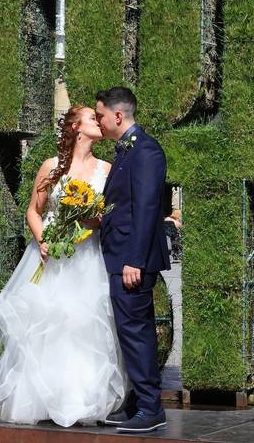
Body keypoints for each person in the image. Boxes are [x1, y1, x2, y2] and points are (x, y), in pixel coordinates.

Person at [0, 105, 127, 426]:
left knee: (83, 326)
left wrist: (87, 220)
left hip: (85, 256)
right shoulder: (51, 167)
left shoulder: (106, 170)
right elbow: (33, 211)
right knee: (45, 326)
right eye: (92, 118)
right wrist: (43, 240)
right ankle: (40, 400)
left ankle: (79, 401)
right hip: (48, 256)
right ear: (75, 128)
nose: (99, 122)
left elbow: (106, 217)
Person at [95, 87, 171, 435]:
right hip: (121, 256)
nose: (98, 121)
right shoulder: (127, 150)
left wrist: (134, 261)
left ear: (118, 116)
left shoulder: (146, 151)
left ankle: (151, 406)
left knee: (137, 331)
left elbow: (146, 209)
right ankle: (140, 401)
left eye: (100, 115)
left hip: (131, 259)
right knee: (130, 331)